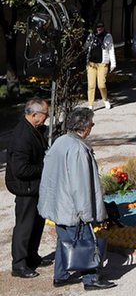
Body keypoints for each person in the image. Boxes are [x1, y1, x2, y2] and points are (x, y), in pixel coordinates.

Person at [38, 106, 115, 290]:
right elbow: (81, 187)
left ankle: (61, 275)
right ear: (86, 126)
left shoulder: (60, 141)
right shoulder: (78, 149)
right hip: (72, 207)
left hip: (58, 204)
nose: (92, 127)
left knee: (64, 241)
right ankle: (91, 279)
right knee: (85, 240)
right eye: (92, 124)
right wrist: (86, 213)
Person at [6, 98, 51, 279]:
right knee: (25, 226)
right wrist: (45, 167)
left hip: (34, 186)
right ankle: (19, 264)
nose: (46, 118)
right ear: (34, 115)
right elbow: (21, 169)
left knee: (37, 223)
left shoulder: (33, 129)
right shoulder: (22, 137)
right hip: (25, 188)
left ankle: (32, 256)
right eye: (45, 115)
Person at [85, 23, 116, 110]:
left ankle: (105, 99)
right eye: (98, 27)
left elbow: (111, 49)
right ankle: (90, 104)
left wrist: (113, 63)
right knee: (91, 85)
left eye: (101, 27)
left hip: (103, 63)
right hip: (91, 63)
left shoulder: (108, 36)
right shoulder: (91, 36)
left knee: (101, 84)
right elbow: (86, 47)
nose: (99, 29)